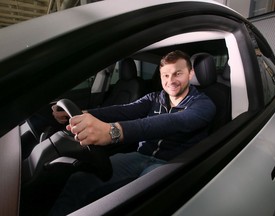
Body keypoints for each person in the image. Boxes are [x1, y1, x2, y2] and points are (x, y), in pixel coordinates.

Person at [49, 50, 216, 215]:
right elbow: (123, 111)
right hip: (139, 156)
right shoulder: (155, 98)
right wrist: (82, 113)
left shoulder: (203, 105)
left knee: (142, 199)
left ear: (190, 73)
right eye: (165, 75)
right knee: (78, 180)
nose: (170, 80)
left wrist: (112, 131)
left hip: (170, 164)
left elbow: (172, 122)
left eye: (177, 73)